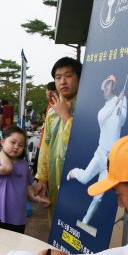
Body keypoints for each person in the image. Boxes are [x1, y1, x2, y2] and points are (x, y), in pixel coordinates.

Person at [66, 74, 127, 236]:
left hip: (111, 159)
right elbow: (104, 118)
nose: (107, 89)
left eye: (110, 86)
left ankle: (85, 222)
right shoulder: (103, 110)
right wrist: (116, 103)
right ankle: (74, 172)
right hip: (100, 154)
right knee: (85, 178)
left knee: (98, 197)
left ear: (114, 87)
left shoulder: (121, 100)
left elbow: (121, 121)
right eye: (105, 86)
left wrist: (120, 106)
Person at [34, 57, 81, 223]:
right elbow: (46, 146)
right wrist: (42, 178)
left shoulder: (87, 107)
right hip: (54, 181)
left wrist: (66, 116)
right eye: (58, 77)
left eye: (68, 75)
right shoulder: (52, 111)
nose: (63, 81)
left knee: (76, 226)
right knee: (56, 224)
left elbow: (84, 143)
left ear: (79, 78)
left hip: (78, 183)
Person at [0, 125, 50, 233]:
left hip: (19, 217)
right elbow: (8, 168)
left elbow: (28, 187)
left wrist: (38, 198)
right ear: (2, 142)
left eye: (21, 145)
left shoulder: (24, 165)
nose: (16, 147)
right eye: (12, 142)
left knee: (15, 246)